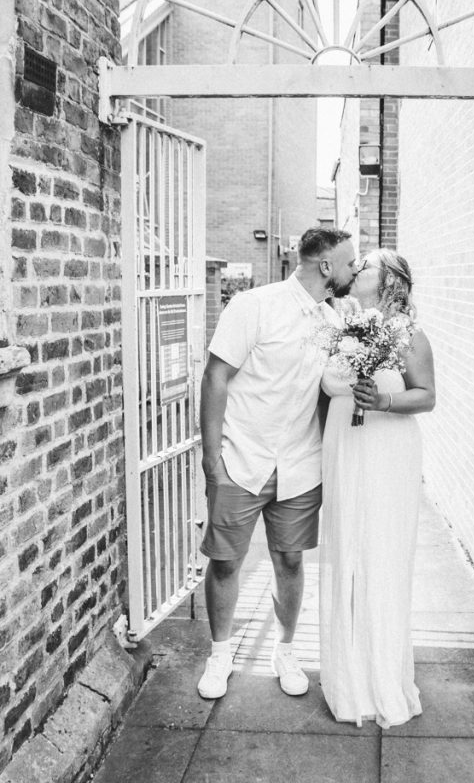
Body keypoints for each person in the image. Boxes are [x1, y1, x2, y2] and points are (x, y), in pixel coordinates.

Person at [197, 227, 357, 701]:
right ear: (325, 266)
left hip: (302, 464)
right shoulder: (253, 306)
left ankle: (284, 650)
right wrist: (212, 459)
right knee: (226, 563)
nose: (353, 270)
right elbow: (215, 377)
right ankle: (220, 653)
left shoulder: (336, 321)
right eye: (349, 262)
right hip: (242, 458)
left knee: (290, 560)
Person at [319, 249, 436, 728]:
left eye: (365, 267)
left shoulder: (409, 335)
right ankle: (349, 673)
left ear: (390, 282)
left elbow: (427, 396)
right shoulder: (344, 330)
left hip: (387, 450)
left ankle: (381, 675)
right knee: (349, 552)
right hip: (346, 447)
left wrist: (384, 398)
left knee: (381, 554)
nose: (357, 271)